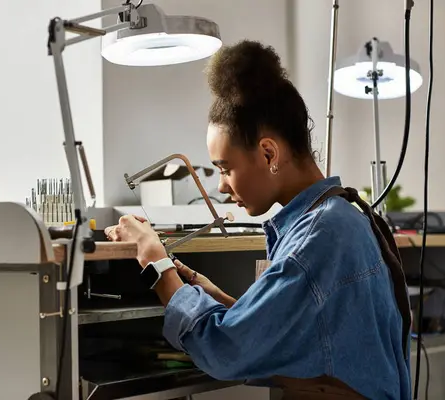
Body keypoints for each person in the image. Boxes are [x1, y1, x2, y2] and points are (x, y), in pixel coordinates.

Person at [104, 40, 411, 399]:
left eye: (225, 168)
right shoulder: (339, 217)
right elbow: (291, 330)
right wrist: (213, 294)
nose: (220, 187)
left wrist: (153, 261)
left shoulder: (317, 240)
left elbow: (224, 352)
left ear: (268, 153)